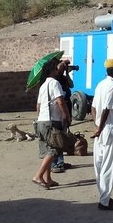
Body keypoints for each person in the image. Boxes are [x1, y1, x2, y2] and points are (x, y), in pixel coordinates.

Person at [33, 57, 70, 190]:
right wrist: (67, 116)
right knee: (54, 151)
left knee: (48, 150)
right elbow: (60, 101)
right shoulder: (54, 83)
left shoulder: (42, 85)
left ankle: (48, 179)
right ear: (53, 70)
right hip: (52, 121)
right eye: (57, 68)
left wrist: (40, 118)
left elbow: (38, 105)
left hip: (41, 121)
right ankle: (38, 175)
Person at [92, 57, 113, 210]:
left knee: (99, 164)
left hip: (100, 130)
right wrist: (100, 127)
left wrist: (96, 124)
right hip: (109, 130)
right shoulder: (111, 85)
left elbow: (93, 108)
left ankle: (105, 197)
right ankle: (104, 201)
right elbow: (106, 108)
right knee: (108, 166)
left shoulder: (100, 84)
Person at [52, 59, 75, 174]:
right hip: (59, 110)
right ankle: (56, 162)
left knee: (63, 134)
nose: (63, 68)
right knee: (57, 138)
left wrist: (67, 74)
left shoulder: (63, 78)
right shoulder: (54, 81)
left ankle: (60, 160)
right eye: (61, 67)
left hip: (66, 106)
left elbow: (71, 85)